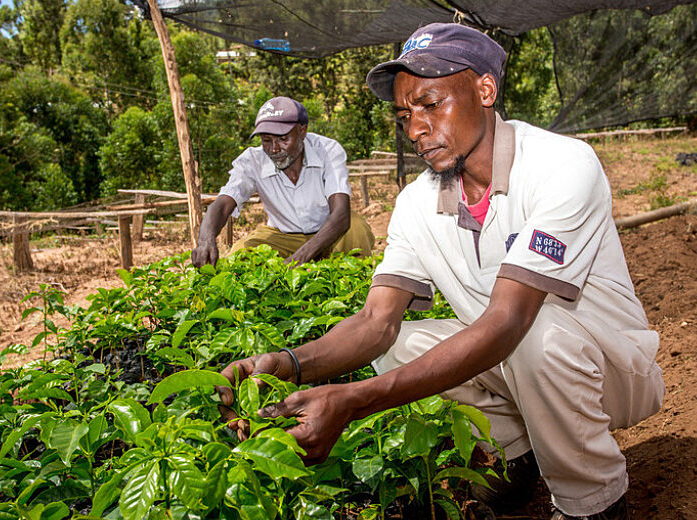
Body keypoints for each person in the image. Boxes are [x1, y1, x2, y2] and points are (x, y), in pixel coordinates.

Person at [216, 23, 664, 520]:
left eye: (432, 104)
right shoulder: (418, 202)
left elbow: (509, 321)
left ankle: (593, 499)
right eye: (405, 114)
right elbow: (374, 323)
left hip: (612, 369)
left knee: (537, 334)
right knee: (398, 347)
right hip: (518, 363)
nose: (415, 129)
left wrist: (352, 402)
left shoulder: (562, 165)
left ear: (485, 89)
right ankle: (519, 457)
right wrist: (286, 364)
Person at [190, 96, 374, 268]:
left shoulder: (327, 150)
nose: (274, 149)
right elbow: (223, 204)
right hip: (282, 236)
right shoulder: (253, 160)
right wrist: (206, 240)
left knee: (356, 230)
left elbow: (341, 215)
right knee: (242, 254)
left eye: (283, 139)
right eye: (266, 140)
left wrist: (299, 259)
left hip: (329, 232)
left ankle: (358, 292)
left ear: (302, 131)